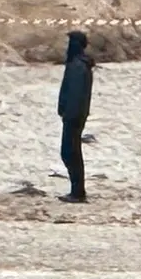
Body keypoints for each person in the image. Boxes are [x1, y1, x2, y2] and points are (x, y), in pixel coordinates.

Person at [57, 30, 95, 204]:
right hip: (75, 115)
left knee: (69, 152)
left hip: (74, 116)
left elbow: (76, 94)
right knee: (71, 152)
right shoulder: (77, 64)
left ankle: (77, 191)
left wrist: (67, 113)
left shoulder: (78, 66)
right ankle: (77, 190)